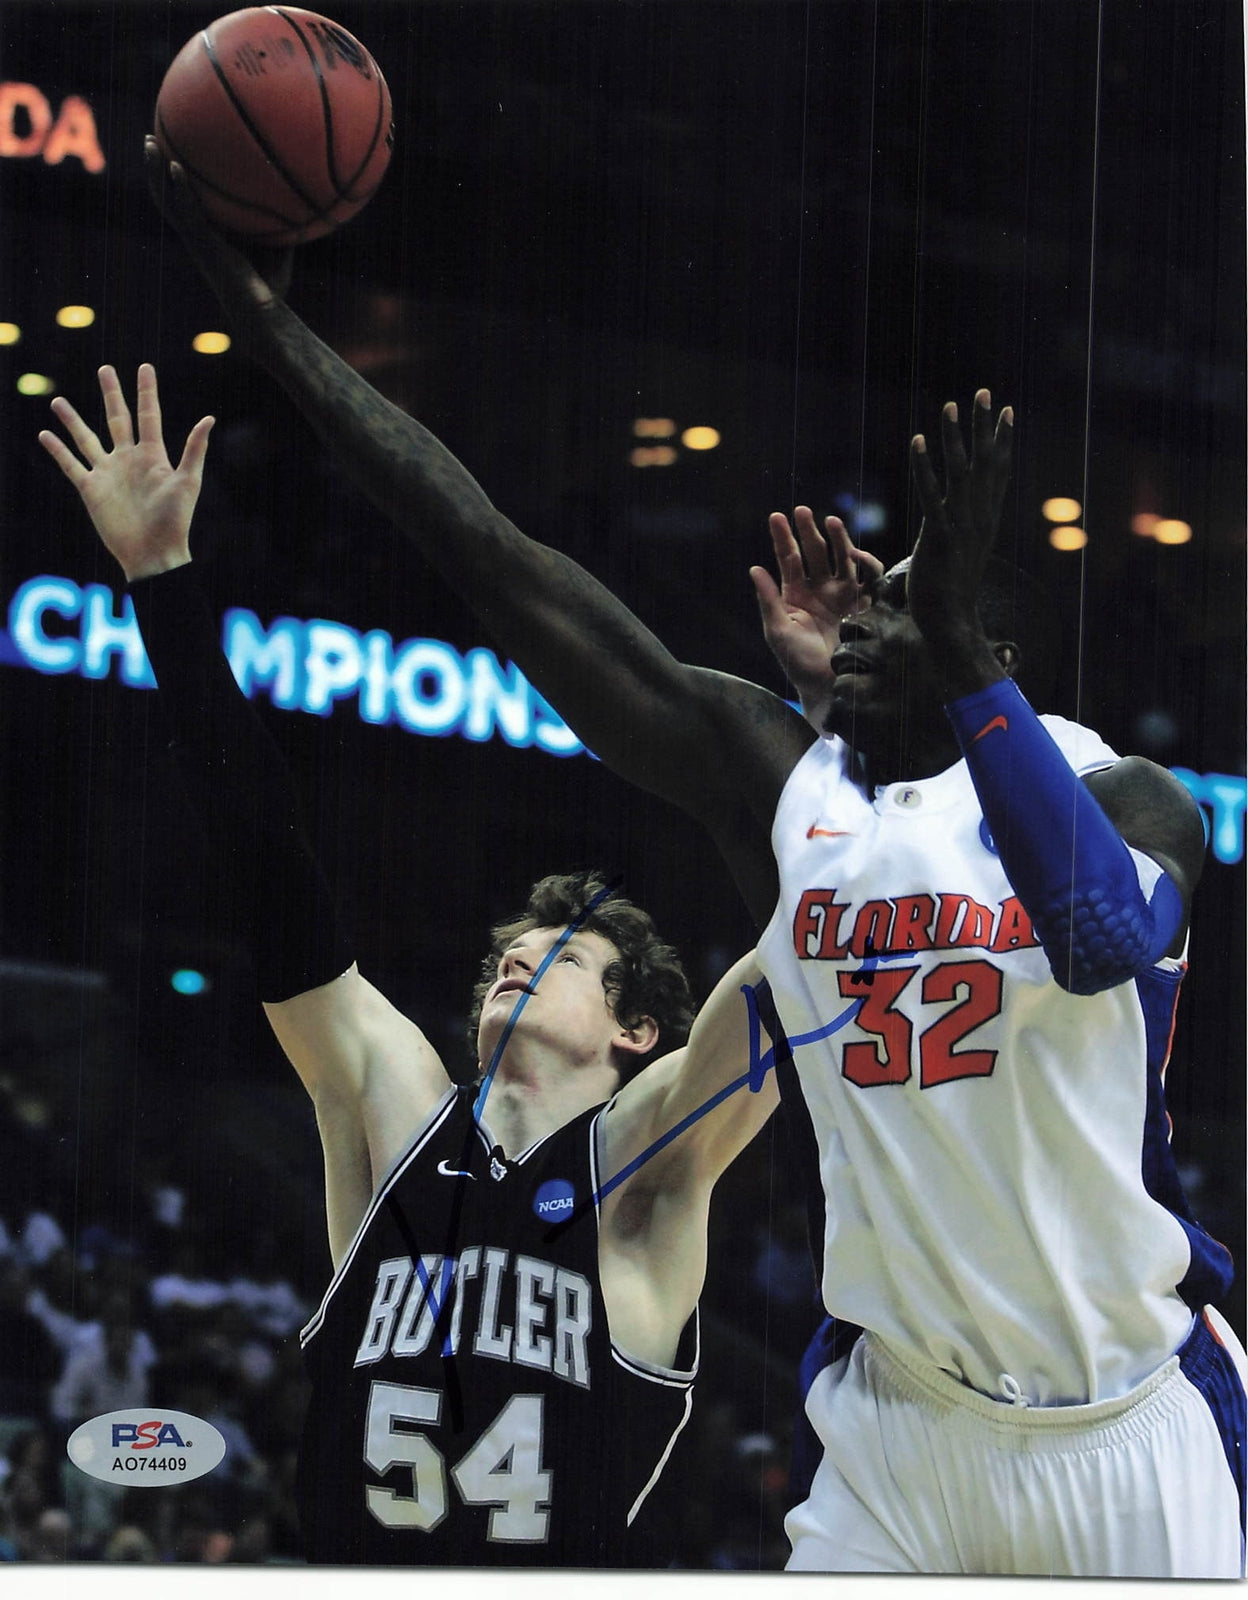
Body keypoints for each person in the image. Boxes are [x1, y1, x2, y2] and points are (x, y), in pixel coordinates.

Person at [139, 146, 1245, 1577]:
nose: (857, 605)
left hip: (1128, 1415)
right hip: (898, 1428)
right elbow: (500, 561)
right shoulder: (792, 788)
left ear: (988, 647)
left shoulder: (1134, 794)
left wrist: (952, 663)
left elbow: (1095, 933)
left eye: (903, 595)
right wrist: (275, 329)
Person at [38, 364, 780, 1567]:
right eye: (505, 955)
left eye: (561, 958)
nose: (514, 964)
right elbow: (270, 868)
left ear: (637, 1028)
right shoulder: (393, 1111)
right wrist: (161, 584)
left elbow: (797, 971)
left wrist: (808, 752)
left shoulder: (646, 1164)